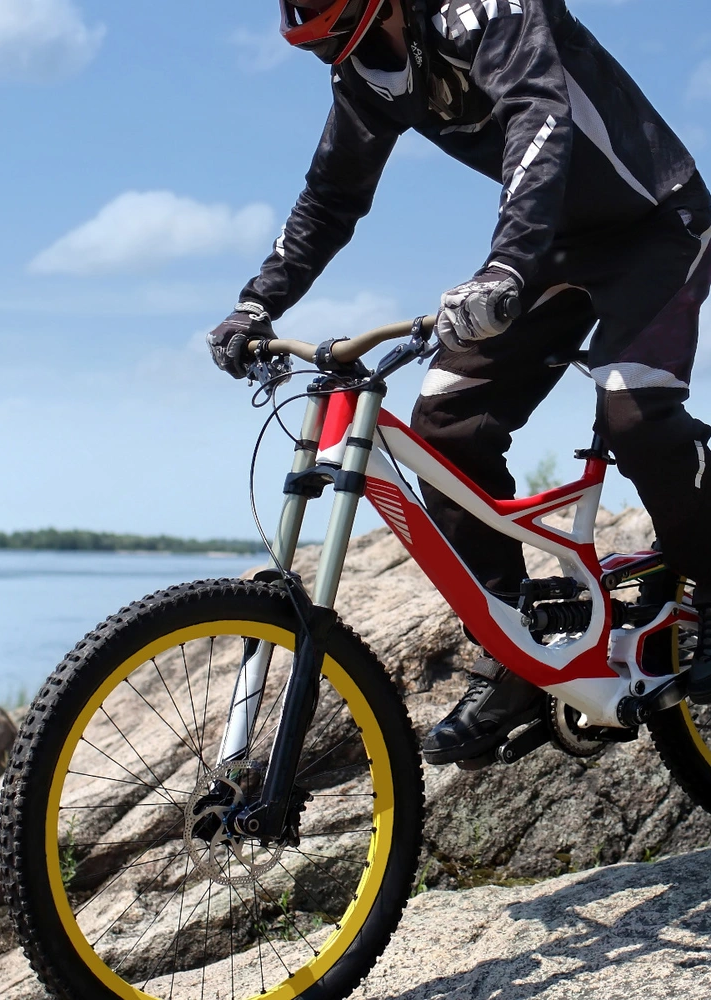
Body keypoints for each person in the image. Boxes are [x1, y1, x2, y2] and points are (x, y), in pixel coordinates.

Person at [207, 0, 711, 764]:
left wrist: (504, 266)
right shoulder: (366, 77)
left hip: (658, 223)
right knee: (443, 431)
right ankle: (514, 656)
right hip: (552, 247)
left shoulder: (486, 10)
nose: (336, 46)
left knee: (633, 412)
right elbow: (332, 194)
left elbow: (538, 118)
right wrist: (258, 302)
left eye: (337, 24)